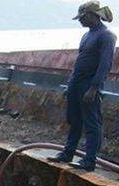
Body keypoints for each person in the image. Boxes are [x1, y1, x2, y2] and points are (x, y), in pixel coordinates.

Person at [49, 1, 116, 172]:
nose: (80, 21)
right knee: (74, 120)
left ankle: (89, 160)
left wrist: (94, 88)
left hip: (89, 83)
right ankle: (67, 153)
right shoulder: (87, 35)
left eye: (83, 17)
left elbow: (105, 64)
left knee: (92, 123)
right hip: (77, 82)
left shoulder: (106, 36)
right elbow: (79, 62)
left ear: (94, 16)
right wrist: (70, 84)